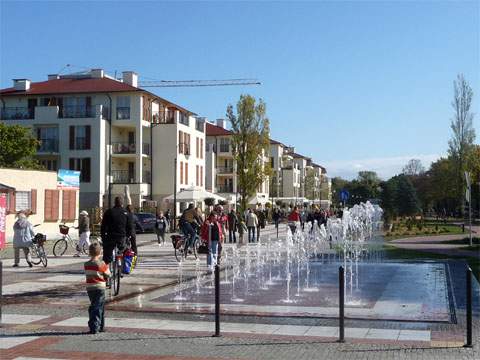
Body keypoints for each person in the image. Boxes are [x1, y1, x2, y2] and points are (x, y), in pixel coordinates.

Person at [84, 242, 111, 334]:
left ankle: (100, 326)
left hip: (90, 288)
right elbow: (108, 274)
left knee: (96, 306)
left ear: (89, 252)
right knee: (98, 307)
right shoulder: (101, 263)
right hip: (100, 288)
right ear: (100, 253)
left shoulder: (86, 264)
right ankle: (95, 327)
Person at [100, 196, 132, 264]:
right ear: (122, 203)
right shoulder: (126, 213)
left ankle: (107, 266)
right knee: (124, 250)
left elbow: (103, 225)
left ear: (114, 203)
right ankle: (124, 265)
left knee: (107, 252)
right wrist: (128, 236)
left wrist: (103, 236)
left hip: (111, 236)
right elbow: (129, 226)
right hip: (122, 236)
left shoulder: (109, 212)